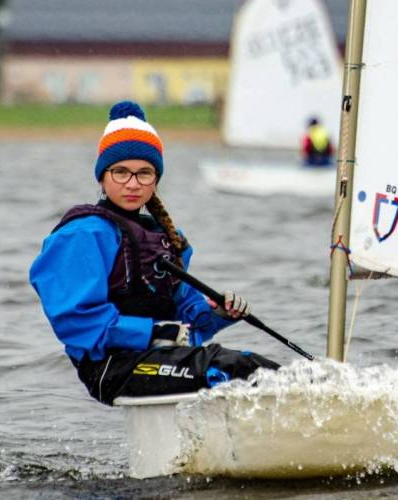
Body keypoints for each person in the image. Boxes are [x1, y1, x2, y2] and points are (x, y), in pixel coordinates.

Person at [30, 101, 279, 406]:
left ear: (156, 180)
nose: (133, 184)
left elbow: (185, 321)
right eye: (121, 172)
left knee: (258, 368)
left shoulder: (168, 239)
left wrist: (217, 314)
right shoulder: (82, 235)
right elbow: (77, 321)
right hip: (111, 368)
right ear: (102, 177)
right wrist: (152, 333)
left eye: (144, 173)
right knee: (227, 370)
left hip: (157, 357)